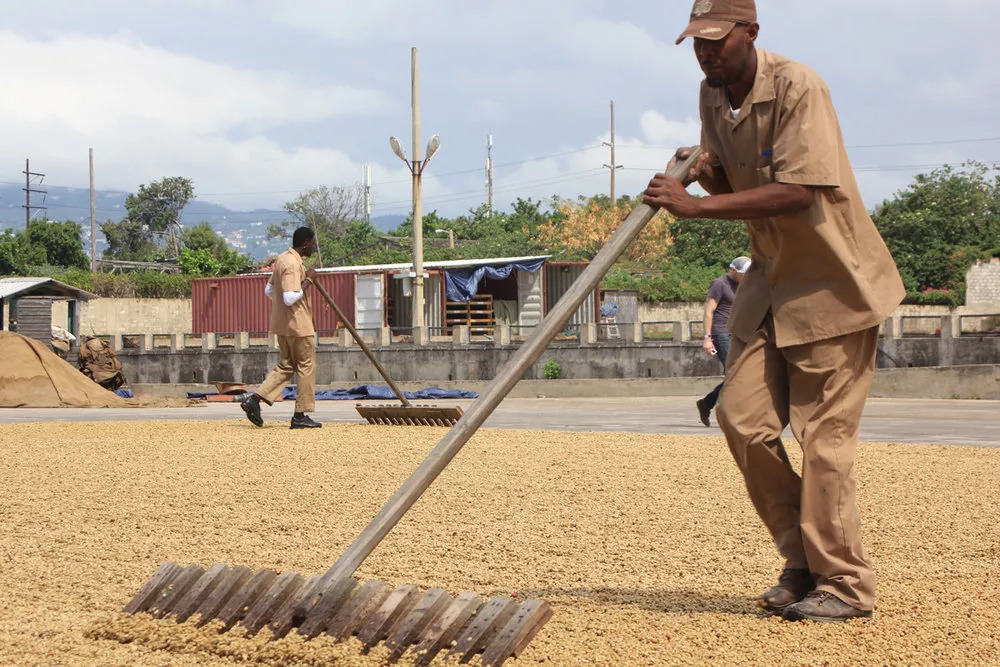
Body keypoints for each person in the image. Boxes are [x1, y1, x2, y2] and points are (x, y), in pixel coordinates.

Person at [643, 0, 905, 622]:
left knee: (824, 441)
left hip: (831, 286)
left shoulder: (798, 87)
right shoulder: (712, 97)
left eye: (716, 41)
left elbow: (799, 190)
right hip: (769, 283)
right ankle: (802, 561)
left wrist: (695, 208)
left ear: (750, 34)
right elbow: (742, 195)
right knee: (742, 420)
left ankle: (843, 584)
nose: (706, 52)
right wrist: (705, 176)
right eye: (697, 42)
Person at [240, 226, 322, 429]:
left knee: (286, 365)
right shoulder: (293, 264)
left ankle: (255, 399)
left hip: (283, 325)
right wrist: (309, 281)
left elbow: (269, 289)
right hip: (299, 326)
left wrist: (285, 301)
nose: (314, 247)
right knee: (306, 367)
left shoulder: (282, 259)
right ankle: (300, 415)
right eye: (313, 244)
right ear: (305, 243)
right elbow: (289, 298)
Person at [696, 256, 750, 427]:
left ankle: (707, 403)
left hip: (737, 334)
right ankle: (731, 414)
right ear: (732, 270)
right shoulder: (720, 284)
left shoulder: (744, 285)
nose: (745, 277)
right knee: (735, 374)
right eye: (742, 273)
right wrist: (707, 338)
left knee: (740, 374)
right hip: (721, 334)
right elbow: (708, 311)